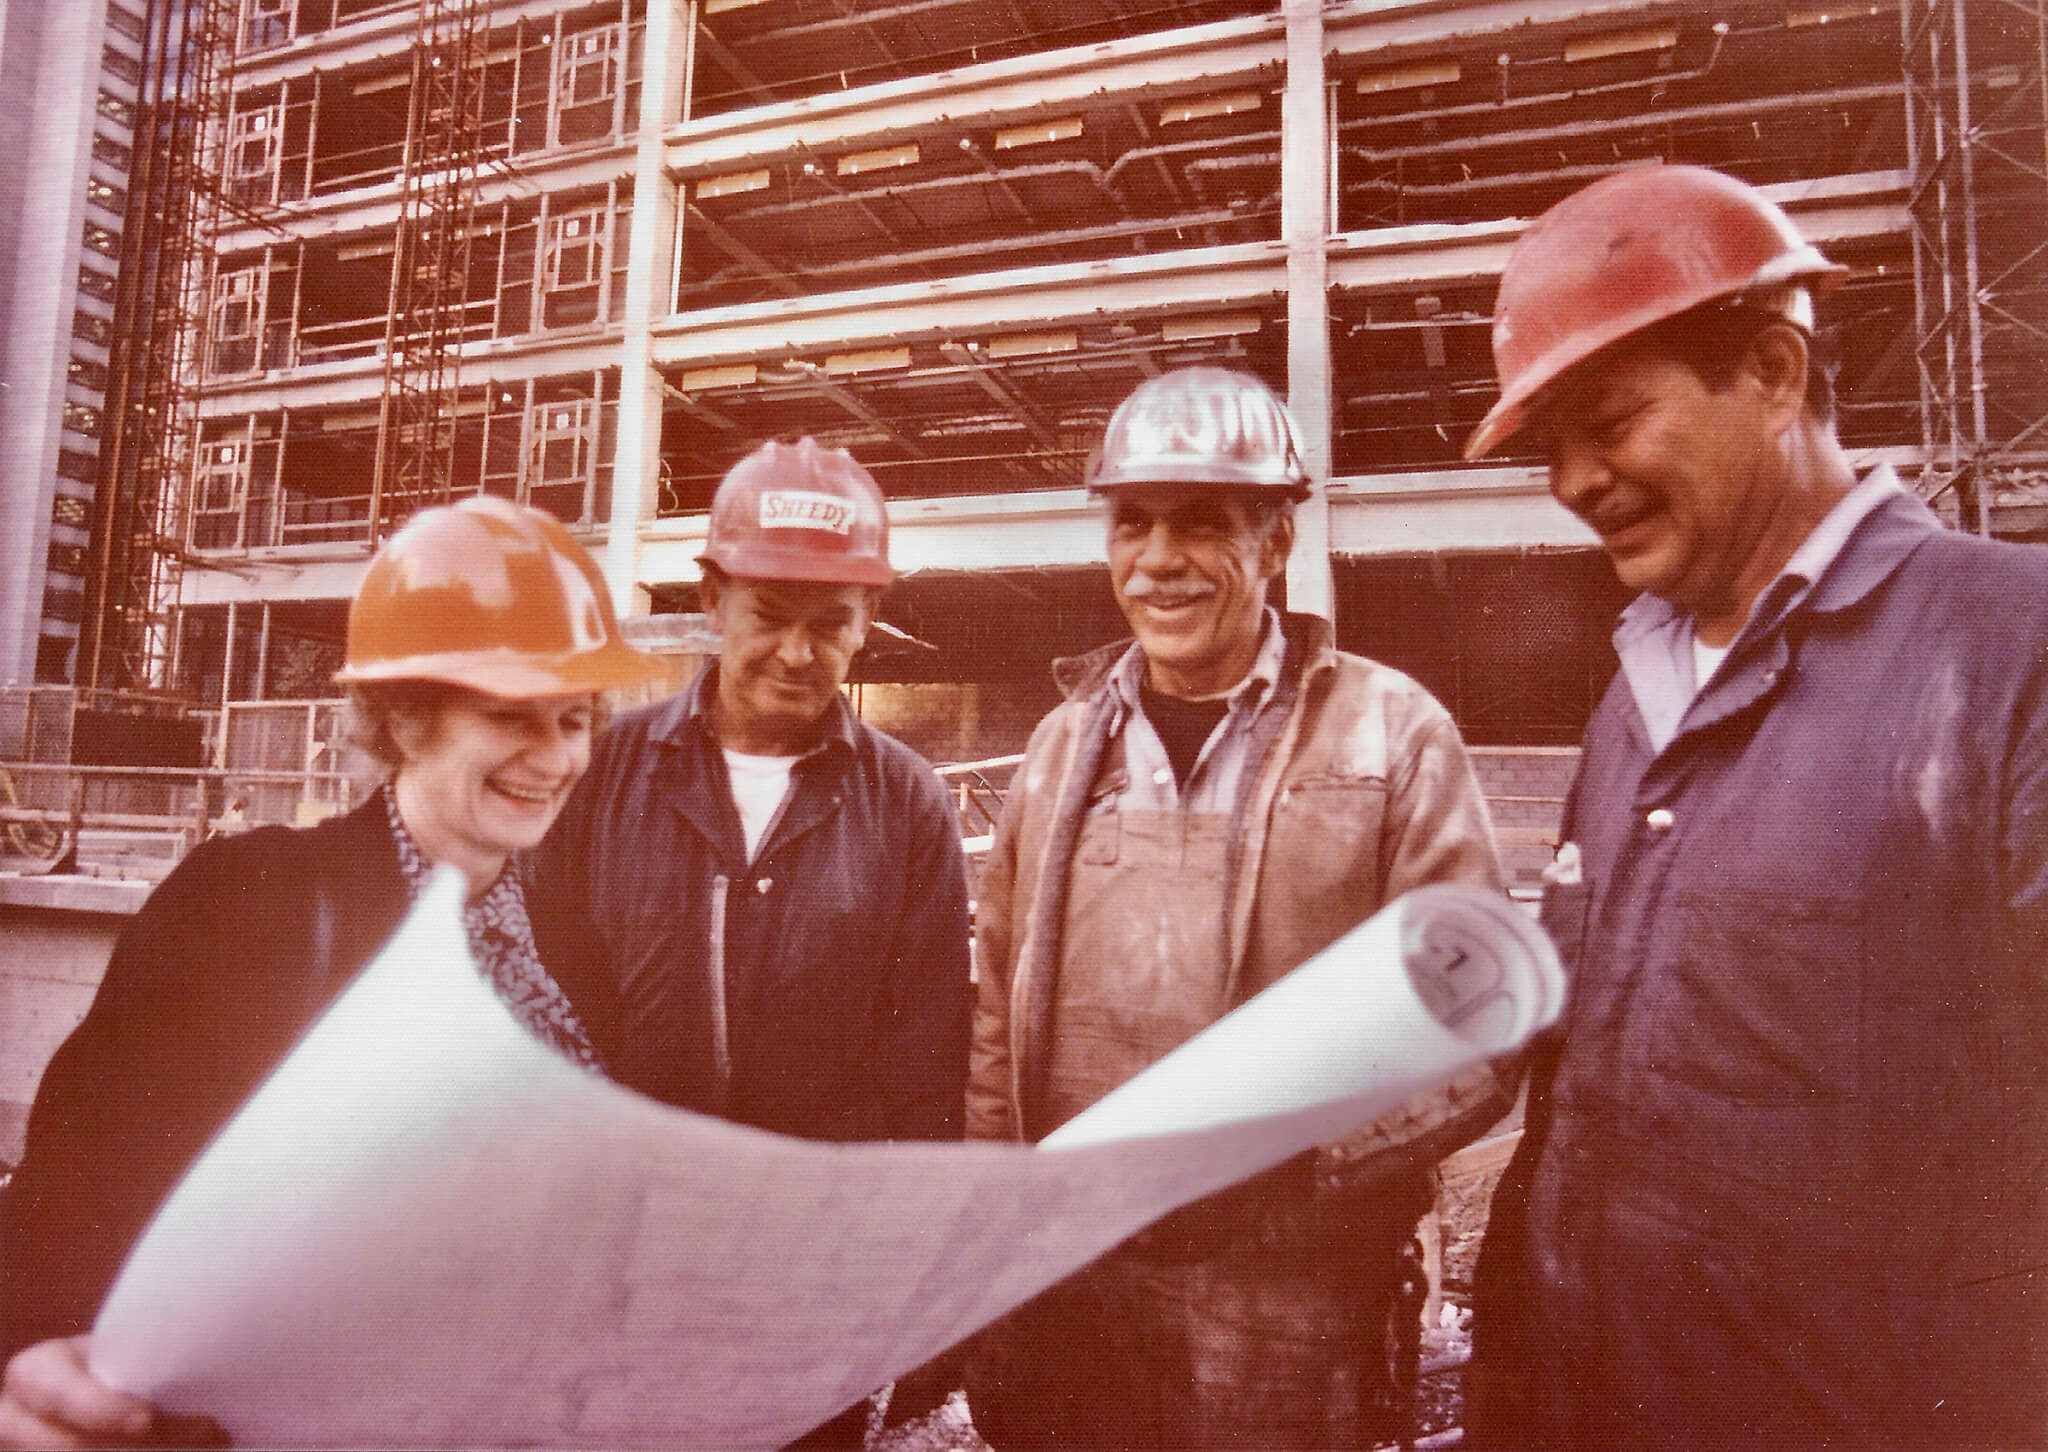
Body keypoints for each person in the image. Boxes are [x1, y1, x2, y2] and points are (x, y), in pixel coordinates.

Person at [1461, 164, 2048, 1449]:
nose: (1572, 480)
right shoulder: (1632, 701)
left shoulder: (2010, 650)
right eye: (1548, 446)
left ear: (1774, 373)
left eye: (1607, 420)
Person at [0, 497, 669, 1447]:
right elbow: (71, 1209)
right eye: (514, 715)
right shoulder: (251, 905)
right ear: (402, 717)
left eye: (576, 719)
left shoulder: (566, 935)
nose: (555, 757)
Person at [961, 366, 1511, 1448]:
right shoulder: (1060, 745)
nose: (1157, 561)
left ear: (1273, 542)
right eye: (1131, 524)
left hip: (1288, 1319)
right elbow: (993, 1016)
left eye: (1201, 523)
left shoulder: (1387, 734)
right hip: (1071, 1290)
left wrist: (1283, 1167)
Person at [524, 437, 973, 1444]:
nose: (797, 653)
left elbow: (925, 1061)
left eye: (832, 624)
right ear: (713, 597)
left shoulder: (904, 805)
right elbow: (544, 1016)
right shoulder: (602, 775)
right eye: (769, 617)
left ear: (867, 619)